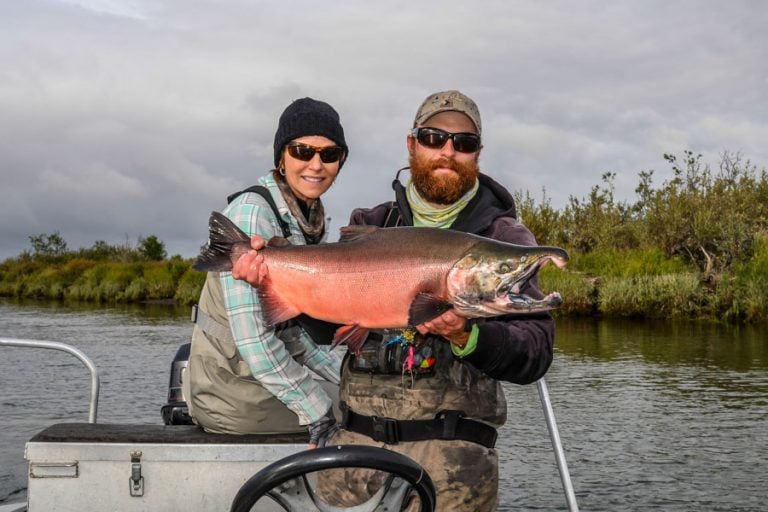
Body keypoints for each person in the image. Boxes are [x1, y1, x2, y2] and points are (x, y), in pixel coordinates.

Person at [232, 90, 556, 510]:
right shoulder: (370, 223)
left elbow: (535, 352)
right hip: (354, 458)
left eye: (464, 142)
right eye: (433, 137)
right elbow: (327, 329)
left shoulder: (504, 239)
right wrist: (272, 280)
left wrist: (467, 336)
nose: (447, 150)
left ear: (478, 154)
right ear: (411, 144)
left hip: (453, 468)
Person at [187, 97, 346, 448]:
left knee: (363, 395)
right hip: (231, 392)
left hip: (257, 385)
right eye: (302, 151)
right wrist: (319, 413)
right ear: (281, 156)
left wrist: (350, 375)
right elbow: (254, 343)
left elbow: (293, 334)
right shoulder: (249, 215)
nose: (316, 164)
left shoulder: (307, 218)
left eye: (329, 154)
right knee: (363, 415)